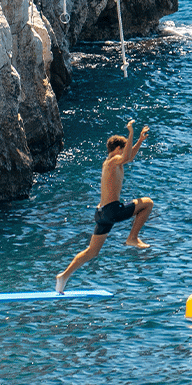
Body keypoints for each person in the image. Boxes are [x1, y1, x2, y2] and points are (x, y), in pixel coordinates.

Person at [55, 119, 154, 290]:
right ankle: (132, 238)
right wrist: (131, 133)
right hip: (112, 210)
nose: (126, 153)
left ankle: (63, 276)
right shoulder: (113, 161)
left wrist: (138, 141)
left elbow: (128, 157)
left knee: (92, 252)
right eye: (124, 149)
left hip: (101, 214)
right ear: (117, 149)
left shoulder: (110, 163)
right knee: (147, 203)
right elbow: (125, 157)